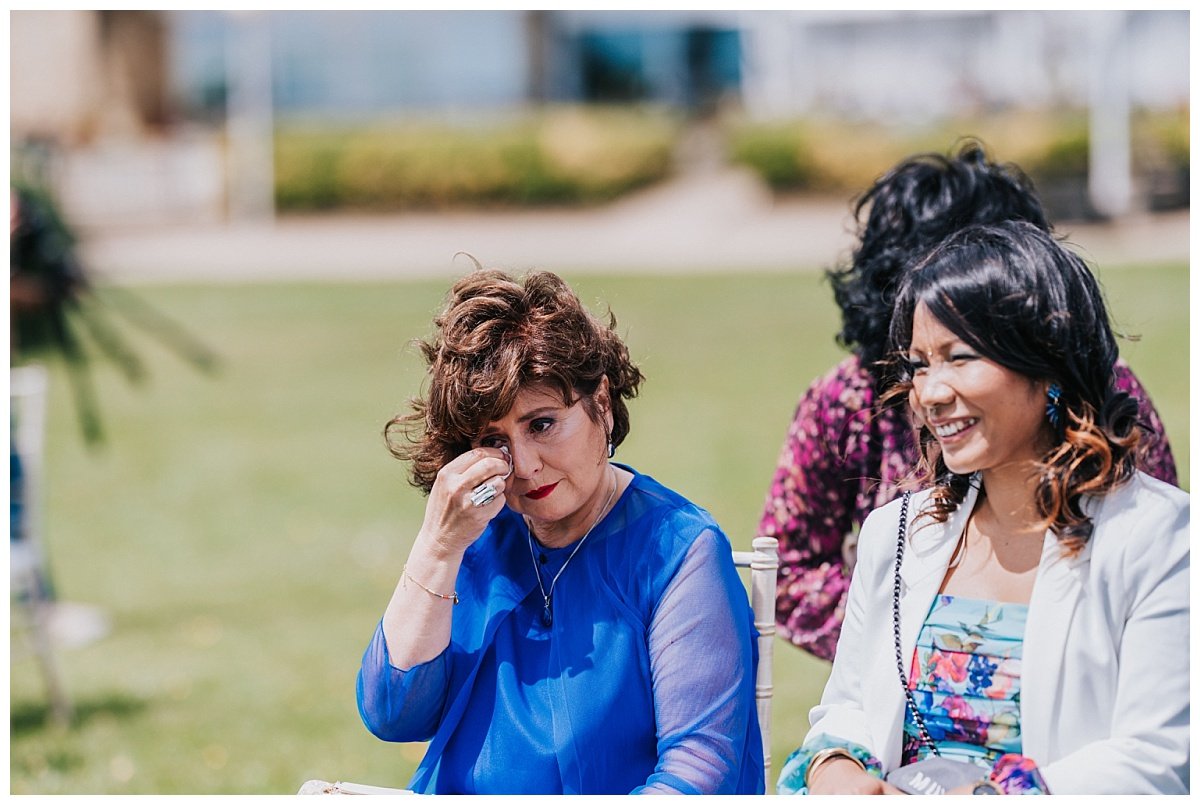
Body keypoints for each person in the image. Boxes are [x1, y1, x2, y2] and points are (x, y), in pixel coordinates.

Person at [777, 221, 1189, 795]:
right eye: (919, 364)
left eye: (960, 357)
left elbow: (1160, 760)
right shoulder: (895, 532)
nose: (931, 392)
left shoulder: (1161, 537)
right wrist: (837, 768)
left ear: (1048, 363)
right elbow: (849, 709)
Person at [758, 142, 1177, 661]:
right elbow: (784, 568)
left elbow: (1148, 563)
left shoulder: (1102, 391)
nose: (932, 394)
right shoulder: (844, 401)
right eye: (919, 364)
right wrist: (920, 629)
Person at [356, 267, 764, 794]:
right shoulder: (475, 532)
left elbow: (698, 771)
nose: (522, 466)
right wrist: (438, 544)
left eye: (542, 423)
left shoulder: (678, 550)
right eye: (493, 439)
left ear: (601, 404)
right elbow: (394, 713)